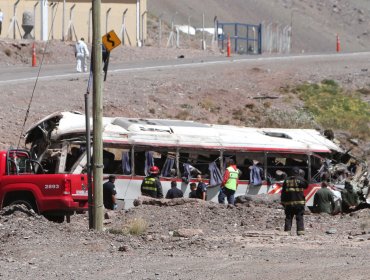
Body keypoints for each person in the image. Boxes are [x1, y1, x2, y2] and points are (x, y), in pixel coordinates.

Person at [281, 167, 308, 235]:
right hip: (299, 203)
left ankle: (287, 232)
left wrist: (283, 202)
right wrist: (301, 177)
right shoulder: (300, 179)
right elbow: (306, 185)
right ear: (298, 172)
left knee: (288, 217)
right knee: (299, 217)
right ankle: (300, 232)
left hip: (289, 203)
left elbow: (283, 192)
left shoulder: (286, 180)